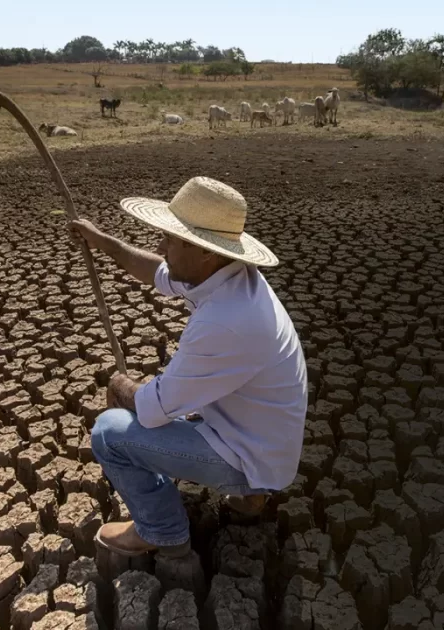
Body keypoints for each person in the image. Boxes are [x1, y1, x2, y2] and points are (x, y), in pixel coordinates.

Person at [69, 176, 308, 557]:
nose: (160, 247)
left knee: (110, 433)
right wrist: (102, 241)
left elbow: (151, 409)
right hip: (264, 440)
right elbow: (153, 270)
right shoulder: (226, 277)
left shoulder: (227, 320)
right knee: (179, 392)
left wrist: (119, 385)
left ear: (205, 251)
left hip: (248, 454)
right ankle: (251, 498)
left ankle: (160, 530)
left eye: (170, 239)